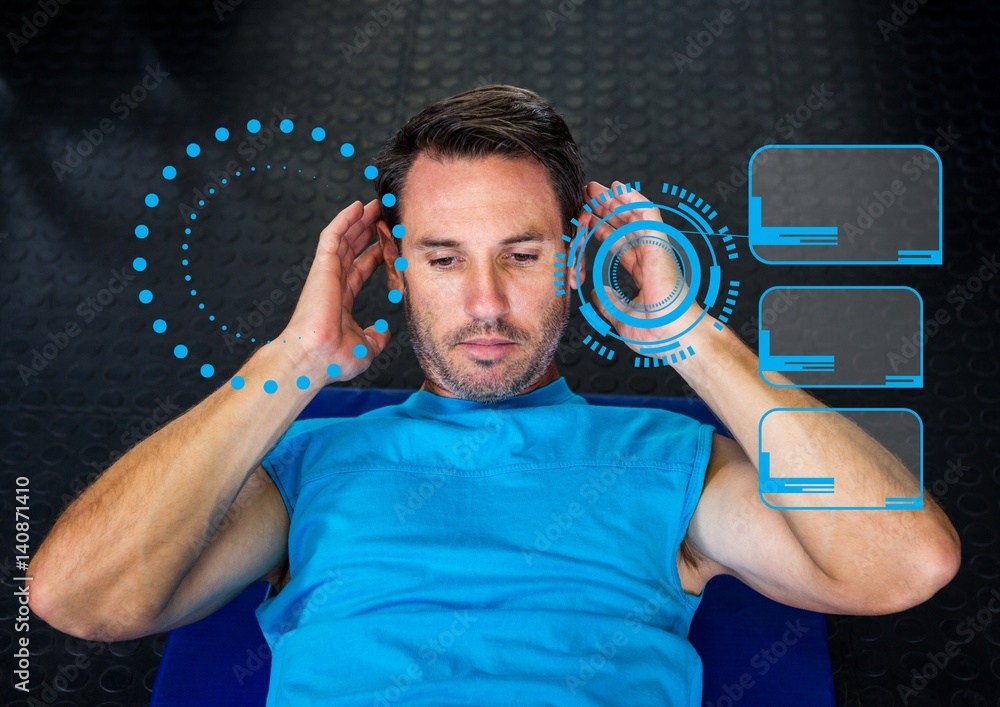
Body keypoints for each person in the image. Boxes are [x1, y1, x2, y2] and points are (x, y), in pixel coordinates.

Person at [28, 85, 960, 705]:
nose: (483, 303)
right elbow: (78, 602)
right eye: (444, 258)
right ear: (397, 264)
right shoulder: (304, 463)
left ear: (575, 263)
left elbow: (902, 565)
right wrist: (292, 361)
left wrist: (689, 337)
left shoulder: (670, 460)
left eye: (522, 256)